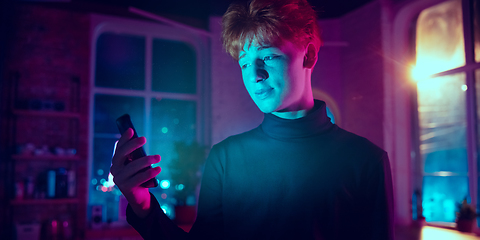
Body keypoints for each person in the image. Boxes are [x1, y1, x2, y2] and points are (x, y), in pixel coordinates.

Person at [110, 0, 394, 239]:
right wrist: (143, 205)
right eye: (245, 63)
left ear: (308, 54)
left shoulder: (366, 160)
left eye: (268, 56)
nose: (255, 75)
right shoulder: (225, 158)